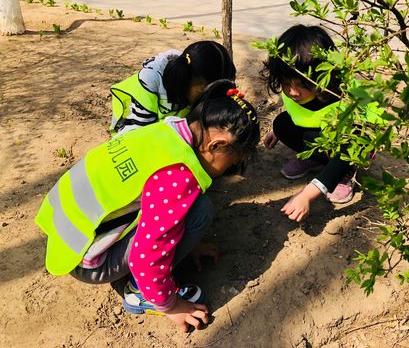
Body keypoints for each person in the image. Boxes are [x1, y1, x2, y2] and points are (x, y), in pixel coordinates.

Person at [35, 79, 260, 332]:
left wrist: (189, 243)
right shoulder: (178, 175)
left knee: (185, 211)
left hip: (63, 230)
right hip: (87, 262)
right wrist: (171, 305)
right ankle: (139, 292)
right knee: (201, 210)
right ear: (216, 145)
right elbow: (148, 253)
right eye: (232, 162)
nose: (228, 169)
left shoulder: (165, 131)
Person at [261, 24, 382, 222]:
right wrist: (279, 131)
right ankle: (316, 159)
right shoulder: (293, 91)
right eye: (286, 83)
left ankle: (343, 174)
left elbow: (362, 139)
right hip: (320, 136)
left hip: (350, 145)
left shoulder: (344, 95)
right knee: (282, 124)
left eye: (303, 84)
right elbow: (294, 108)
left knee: (348, 146)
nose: (293, 92)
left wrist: (307, 194)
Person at [110, 41, 236, 136]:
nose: (210, 100)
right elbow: (134, 139)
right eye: (208, 94)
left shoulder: (192, 82)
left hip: (166, 132)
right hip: (131, 133)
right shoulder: (150, 82)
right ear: (190, 80)